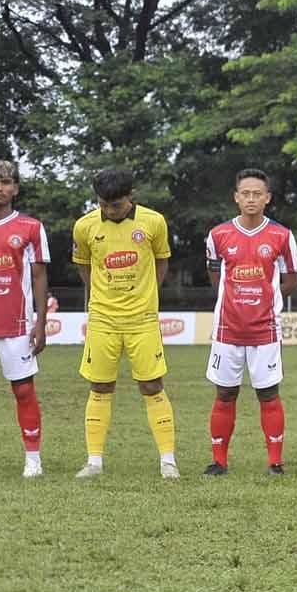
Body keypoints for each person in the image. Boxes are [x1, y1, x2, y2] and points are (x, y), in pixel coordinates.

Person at [71, 166, 179, 479]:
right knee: (100, 385)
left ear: (130, 196)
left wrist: (148, 296)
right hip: (103, 318)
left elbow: (161, 261)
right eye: (103, 204)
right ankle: (94, 462)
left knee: (151, 385)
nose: (108, 210)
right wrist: (101, 297)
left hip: (142, 319)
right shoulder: (84, 226)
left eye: (115, 205)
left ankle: (168, 460)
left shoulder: (154, 222)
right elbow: (84, 267)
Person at [203, 168, 297, 476]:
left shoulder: (281, 235)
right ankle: (219, 461)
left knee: (268, 394)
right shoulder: (218, 235)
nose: (251, 199)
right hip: (227, 330)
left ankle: (275, 462)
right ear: (236, 198)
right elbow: (214, 275)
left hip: (265, 331)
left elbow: (291, 279)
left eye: (257, 193)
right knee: (225, 393)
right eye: (245, 193)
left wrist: (266, 299)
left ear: (267, 198)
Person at [0, 161, 49, 478]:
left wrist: (40, 322)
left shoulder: (31, 227)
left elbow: (39, 276)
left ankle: (33, 459)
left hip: (17, 324)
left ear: (16, 188)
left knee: (24, 390)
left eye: (6, 182)